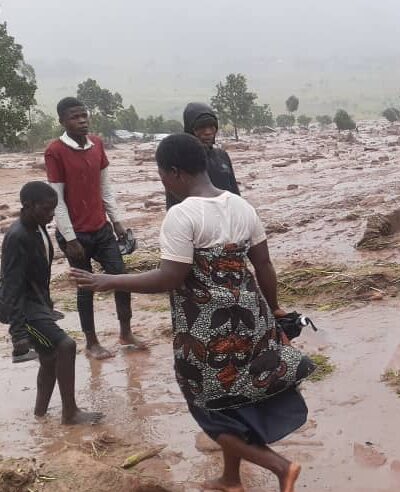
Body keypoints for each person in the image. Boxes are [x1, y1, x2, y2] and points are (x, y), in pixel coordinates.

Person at [72, 134, 312, 492]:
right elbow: (263, 265)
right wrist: (276, 312)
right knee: (234, 396)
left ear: (175, 172)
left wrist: (110, 280)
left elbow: (170, 277)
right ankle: (231, 479)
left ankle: (279, 467)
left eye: (162, 175)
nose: (163, 182)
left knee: (208, 408)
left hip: (206, 330)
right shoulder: (241, 206)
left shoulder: (181, 215)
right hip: (252, 320)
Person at [45, 97, 144, 360]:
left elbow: (105, 188)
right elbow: (57, 199)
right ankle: (91, 343)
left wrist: (117, 221)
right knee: (85, 287)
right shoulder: (55, 151)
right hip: (75, 234)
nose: (82, 120)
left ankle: (125, 332)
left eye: (84, 115)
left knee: (120, 278)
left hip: (101, 228)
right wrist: (69, 237)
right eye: (75, 117)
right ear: (62, 121)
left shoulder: (97, 144)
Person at [0, 182, 103, 424]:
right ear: (27, 206)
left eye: (53, 210)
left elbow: (37, 275)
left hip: (37, 305)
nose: (50, 215)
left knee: (48, 358)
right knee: (65, 346)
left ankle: (40, 414)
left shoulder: (39, 228)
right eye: (46, 209)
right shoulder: (17, 237)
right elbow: (11, 285)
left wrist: (47, 306)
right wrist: (18, 334)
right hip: (24, 310)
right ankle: (70, 413)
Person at [165, 103, 239, 210]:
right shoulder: (179, 161)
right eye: (201, 127)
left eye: (211, 127)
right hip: (196, 221)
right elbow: (173, 205)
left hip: (226, 218)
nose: (208, 132)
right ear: (190, 130)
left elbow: (235, 194)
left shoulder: (222, 157)